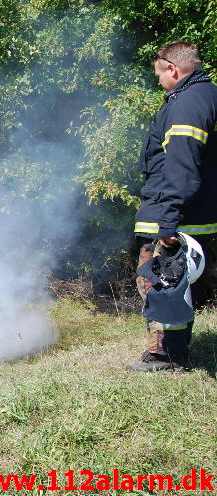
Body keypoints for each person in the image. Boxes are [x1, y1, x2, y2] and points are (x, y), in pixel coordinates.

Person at [130, 41, 217, 372]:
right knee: (174, 282)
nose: (158, 81)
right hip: (190, 211)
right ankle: (169, 351)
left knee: (158, 281)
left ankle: (166, 356)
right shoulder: (205, 96)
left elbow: (182, 167)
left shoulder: (188, 104)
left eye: (159, 74)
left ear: (173, 68)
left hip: (176, 215)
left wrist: (167, 224)